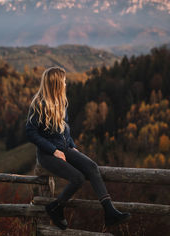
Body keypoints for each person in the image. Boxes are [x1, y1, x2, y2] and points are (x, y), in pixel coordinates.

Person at [26, 66, 131, 230]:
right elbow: (31, 133)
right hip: (47, 155)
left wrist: (73, 147)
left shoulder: (62, 102)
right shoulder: (39, 104)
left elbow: (65, 130)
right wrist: (53, 150)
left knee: (92, 167)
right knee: (78, 178)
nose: (66, 84)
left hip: (65, 149)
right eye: (64, 81)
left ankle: (110, 212)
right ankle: (56, 207)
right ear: (57, 84)